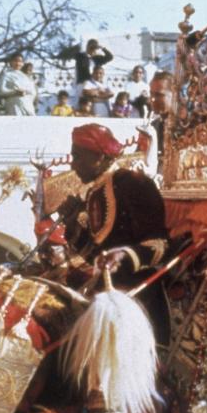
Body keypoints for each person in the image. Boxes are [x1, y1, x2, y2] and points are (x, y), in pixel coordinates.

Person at [62, 123, 170, 339]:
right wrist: (70, 222)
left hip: (135, 289)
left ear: (100, 157)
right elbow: (92, 246)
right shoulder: (95, 189)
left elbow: (160, 245)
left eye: (78, 157)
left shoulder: (133, 183)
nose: (73, 165)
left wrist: (122, 255)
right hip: (101, 281)